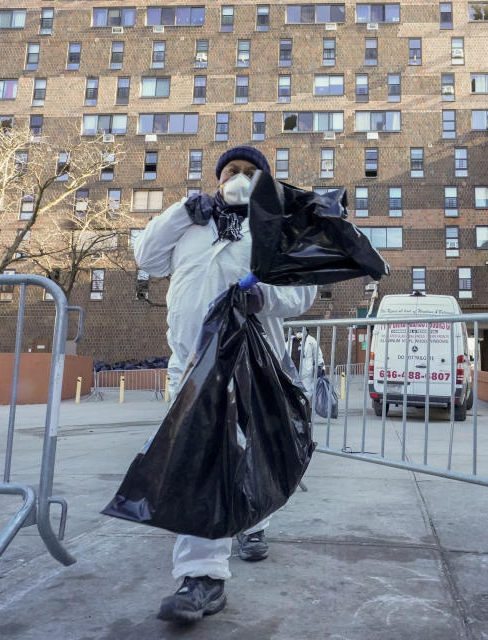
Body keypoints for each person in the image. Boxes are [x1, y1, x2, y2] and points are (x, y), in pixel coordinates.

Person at [133, 146, 317, 624]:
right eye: (232, 171)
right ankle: (202, 577)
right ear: (217, 179)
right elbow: (146, 258)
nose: (240, 178)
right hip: (192, 366)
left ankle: (253, 522)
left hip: (253, 363)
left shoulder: (272, 228)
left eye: (251, 173)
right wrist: (178, 213)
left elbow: (301, 292)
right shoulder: (192, 224)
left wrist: (264, 296)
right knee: (202, 460)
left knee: (253, 453)